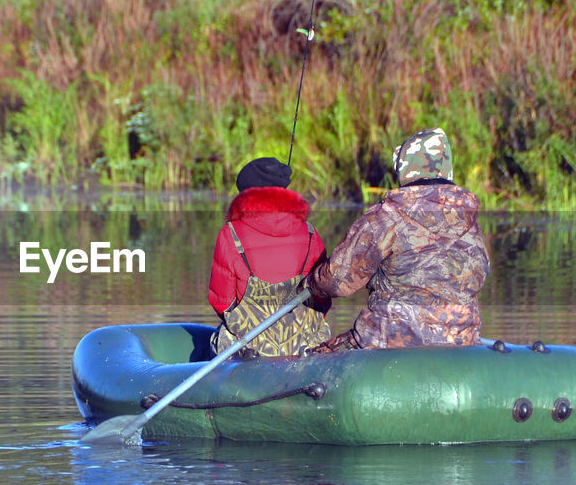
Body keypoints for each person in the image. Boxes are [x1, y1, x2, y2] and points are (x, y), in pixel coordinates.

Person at [307, 128, 490, 351]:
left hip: (388, 343)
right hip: (461, 343)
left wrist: (311, 283)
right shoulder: (472, 222)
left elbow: (337, 281)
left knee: (319, 353)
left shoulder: (385, 217)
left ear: (404, 169)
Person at [207, 156, 332, 357]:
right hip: (305, 346)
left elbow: (221, 302)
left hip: (250, 349)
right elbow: (323, 294)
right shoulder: (309, 233)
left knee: (216, 339)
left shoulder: (230, 235)